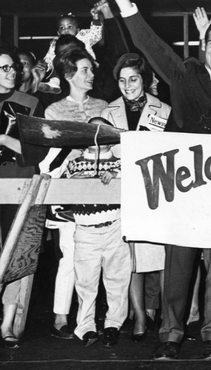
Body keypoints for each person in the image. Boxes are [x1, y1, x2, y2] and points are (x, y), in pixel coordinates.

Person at [107, 0, 211, 361]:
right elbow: (149, 45)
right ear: (204, 43)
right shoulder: (185, 74)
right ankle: (171, 334)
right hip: (183, 190)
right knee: (177, 266)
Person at [44, 50, 116, 347]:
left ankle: (92, 317)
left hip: (103, 194)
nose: (91, 74)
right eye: (85, 70)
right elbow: (51, 159)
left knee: (100, 260)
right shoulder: (54, 111)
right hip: (69, 194)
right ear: (69, 75)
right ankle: (61, 315)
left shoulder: (103, 106)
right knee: (70, 255)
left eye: (91, 69)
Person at [101, 53, 171, 342]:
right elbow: (102, 153)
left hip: (156, 192)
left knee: (161, 257)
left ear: (144, 80)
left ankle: (169, 317)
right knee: (131, 260)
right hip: (124, 193)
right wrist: (109, 166)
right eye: (122, 80)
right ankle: (140, 316)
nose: (127, 85)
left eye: (133, 79)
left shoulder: (164, 110)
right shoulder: (108, 112)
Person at [0, 48, 48, 349]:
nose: (11, 72)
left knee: (17, 253)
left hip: (18, 185)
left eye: (12, 67)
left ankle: (7, 323)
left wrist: (5, 139)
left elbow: (39, 148)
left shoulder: (29, 104)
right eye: (3, 68)